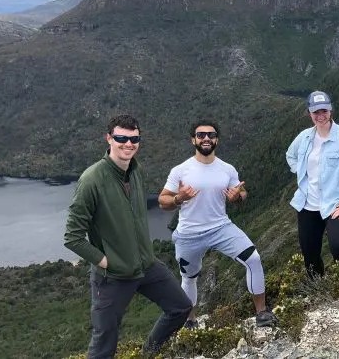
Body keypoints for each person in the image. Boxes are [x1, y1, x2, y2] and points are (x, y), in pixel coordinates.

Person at [64, 115, 192, 358]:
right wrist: (105, 261)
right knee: (104, 342)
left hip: (146, 265)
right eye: (121, 138)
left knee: (180, 307)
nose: (128, 144)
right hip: (113, 276)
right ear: (109, 138)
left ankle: (148, 353)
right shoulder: (91, 180)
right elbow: (72, 236)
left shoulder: (135, 170)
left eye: (134, 139)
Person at [158, 121, 276, 328]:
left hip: (221, 227)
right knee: (189, 277)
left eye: (210, 135)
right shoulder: (180, 170)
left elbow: (240, 192)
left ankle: (262, 312)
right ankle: (190, 321)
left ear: (216, 140)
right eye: (201, 134)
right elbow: (162, 201)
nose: (206, 138)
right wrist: (179, 198)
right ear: (193, 139)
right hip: (189, 233)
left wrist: (237, 196)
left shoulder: (227, 169)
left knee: (254, 259)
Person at [286, 90, 339, 276]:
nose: (320, 116)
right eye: (316, 112)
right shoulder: (305, 136)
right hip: (308, 204)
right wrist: (302, 173)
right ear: (310, 113)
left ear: (330, 111)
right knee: (310, 252)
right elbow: (290, 155)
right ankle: (318, 290)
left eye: (324, 111)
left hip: (336, 202)